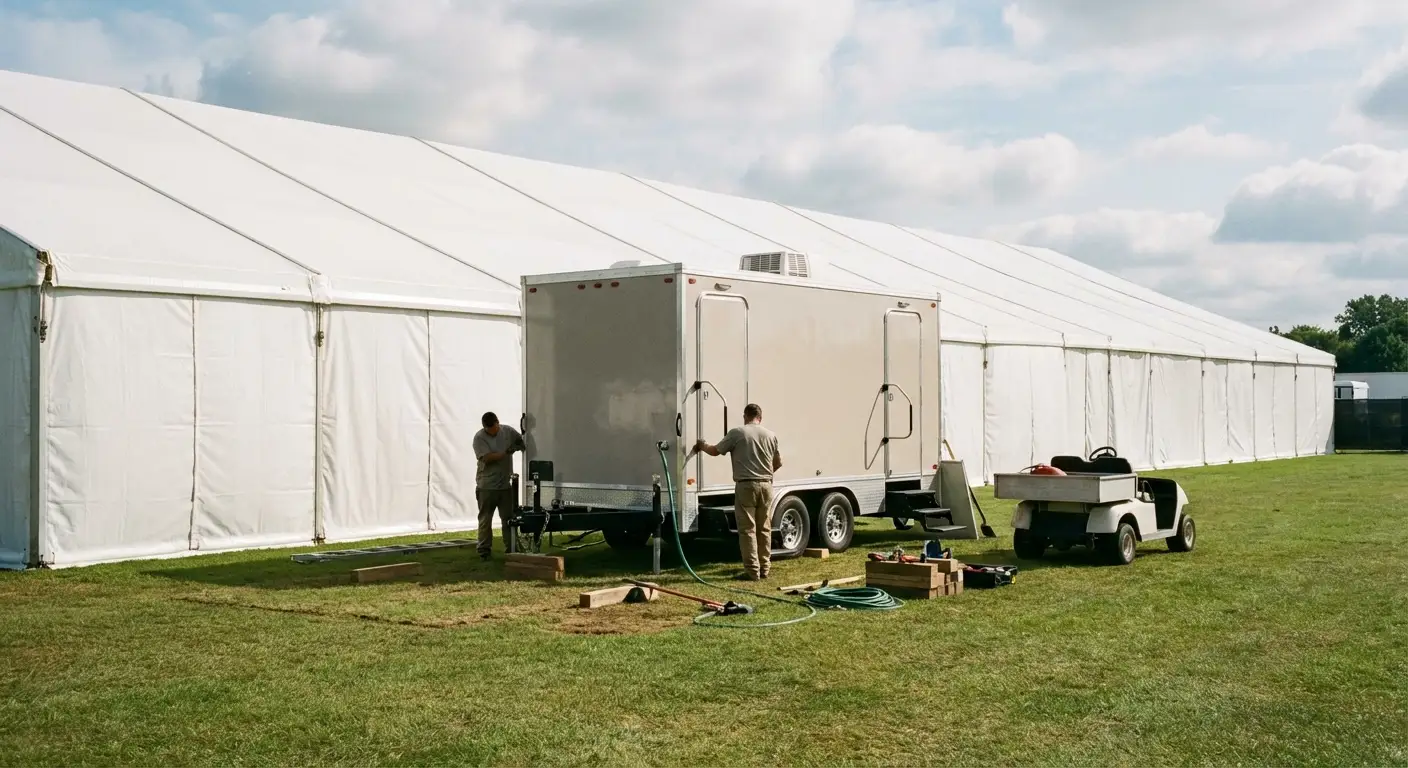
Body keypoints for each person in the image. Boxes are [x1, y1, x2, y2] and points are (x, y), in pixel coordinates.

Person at [695, 403, 783, 580]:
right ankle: (765, 568)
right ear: (760, 417)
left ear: (745, 416)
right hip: (766, 485)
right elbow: (778, 462)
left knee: (748, 529)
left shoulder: (737, 433)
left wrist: (701, 445)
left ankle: (752, 571)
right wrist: (764, 472)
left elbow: (715, 451)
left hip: (746, 485)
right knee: (764, 528)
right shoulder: (771, 435)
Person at [473, 411, 525, 560]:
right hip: (486, 486)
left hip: (505, 485)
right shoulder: (479, 438)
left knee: (508, 519)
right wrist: (506, 452)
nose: (492, 431)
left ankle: (512, 548)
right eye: (488, 429)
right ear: (484, 427)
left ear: (498, 423)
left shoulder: (507, 431)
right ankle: (484, 550)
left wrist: (519, 445)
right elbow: (487, 458)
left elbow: (521, 440)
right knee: (485, 519)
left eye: (494, 427)